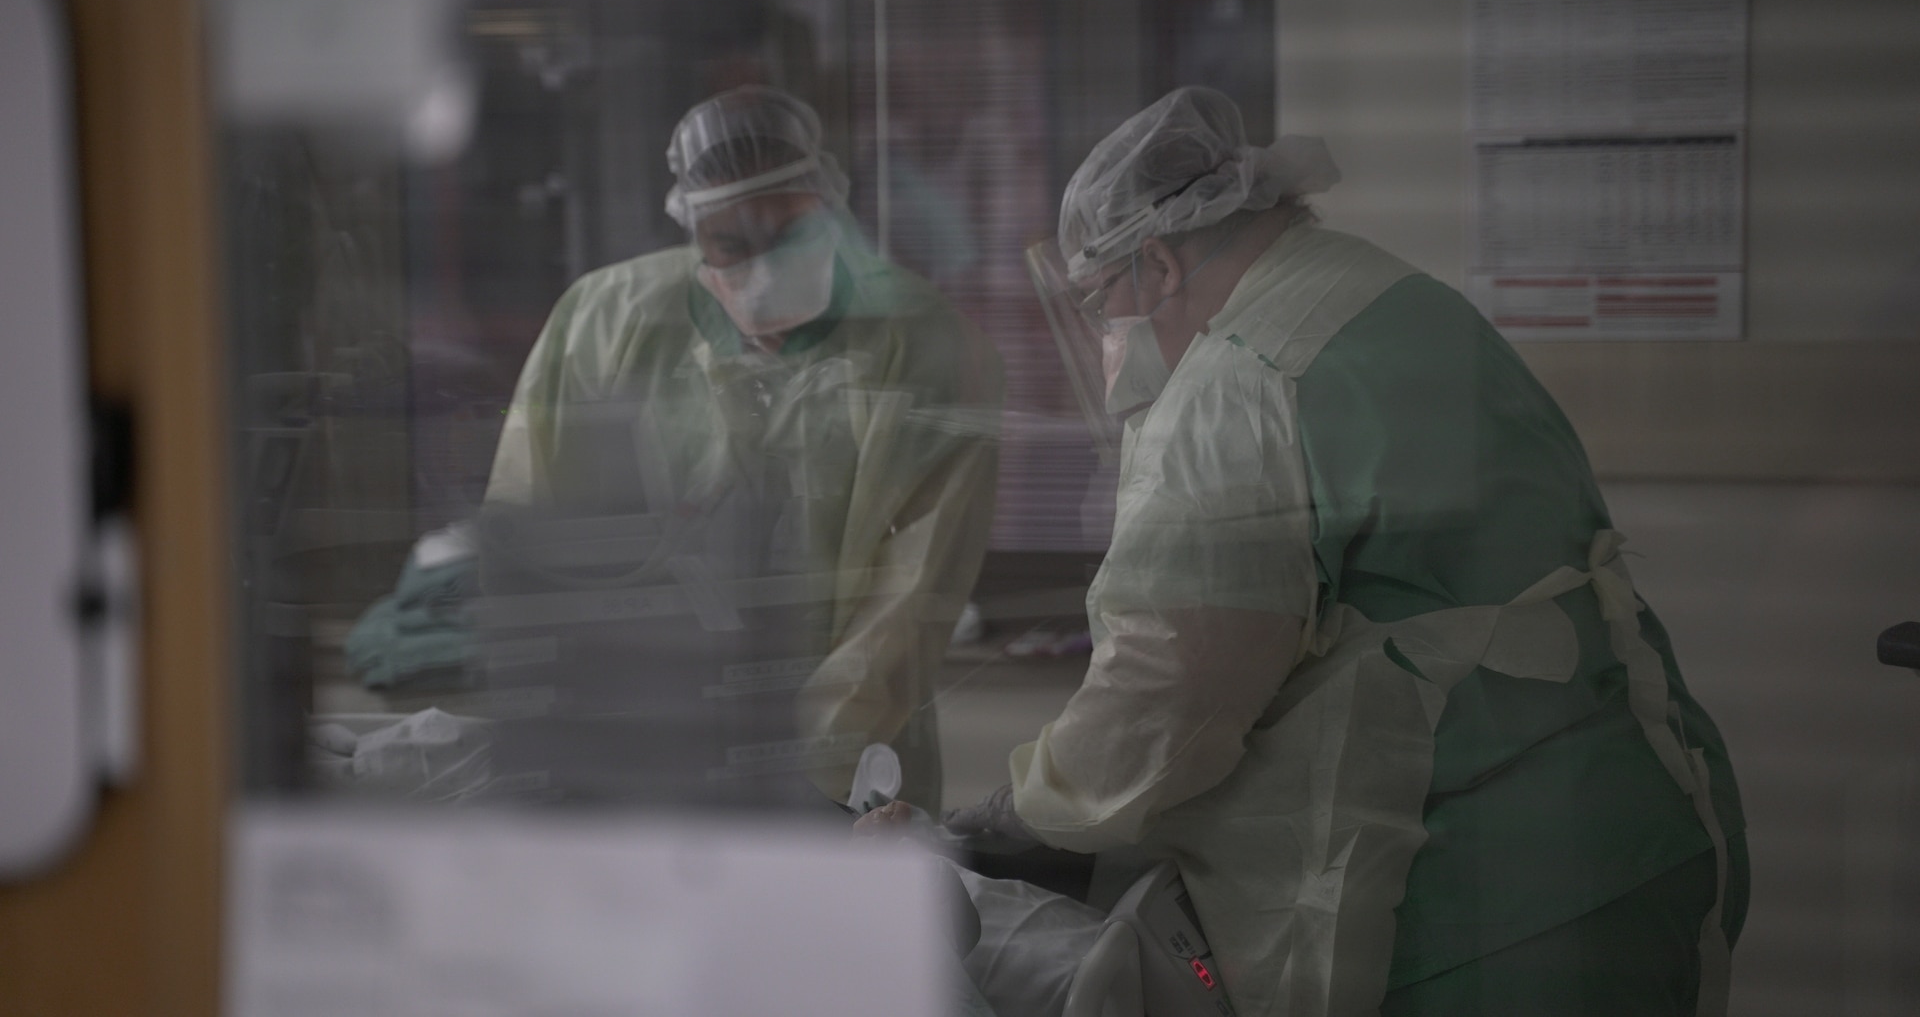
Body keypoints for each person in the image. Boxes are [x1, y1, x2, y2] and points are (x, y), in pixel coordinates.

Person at [945, 87, 1748, 1016]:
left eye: (1101, 305)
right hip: (1637, 827)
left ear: (1157, 264)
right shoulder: (1402, 298)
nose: (1106, 342)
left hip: (1472, 907)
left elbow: (1166, 703)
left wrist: (1012, 815)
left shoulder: (1236, 383)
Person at [486, 86, 1002, 807]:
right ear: (692, 230)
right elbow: (534, 531)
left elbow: (911, 597)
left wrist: (809, 763)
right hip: (631, 731)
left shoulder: (923, 344)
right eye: (731, 243)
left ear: (829, 203)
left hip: (849, 757)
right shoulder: (604, 321)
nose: (762, 268)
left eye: (788, 235)